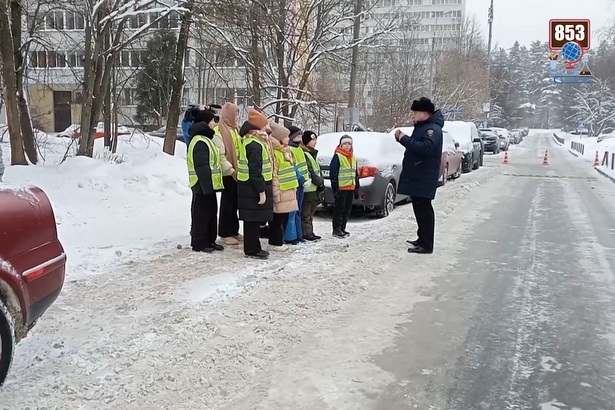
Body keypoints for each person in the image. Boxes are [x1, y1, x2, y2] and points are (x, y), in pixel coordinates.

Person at [394, 97, 444, 254]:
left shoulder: (432, 129)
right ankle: (422, 238)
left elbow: (424, 148)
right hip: (419, 174)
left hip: (424, 175)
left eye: (415, 112)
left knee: (424, 210)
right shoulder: (423, 126)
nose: (413, 115)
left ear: (424, 113)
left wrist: (404, 139)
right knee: (419, 207)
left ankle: (426, 244)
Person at [237, 108, 274, 259]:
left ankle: (253, 247)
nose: (266, 128)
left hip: (247, 186)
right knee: (252, 219)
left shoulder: (251, 141)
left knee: (252, 219)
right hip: (252, 188)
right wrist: (261, 190)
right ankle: (252, 249)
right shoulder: (254, 145)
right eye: (264, 125)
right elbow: (255, 170)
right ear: (257, 128)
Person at [187, 109, 225, 253]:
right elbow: (202, 167)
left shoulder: (207, 139)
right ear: (204, 123)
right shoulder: (200, 141)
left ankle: (209, 240)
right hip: (201, 185)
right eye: (212, 120)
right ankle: (199, 243)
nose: (214, 123)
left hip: (209, 185)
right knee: (201, 215)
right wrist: (206, 187)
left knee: (210, 213)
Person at [213, 102, 244, 246]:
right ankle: (225, 232)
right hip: (228, 174)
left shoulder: (235, 130)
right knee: (228, 203)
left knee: (235, 203)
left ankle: (234, 230)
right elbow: (221, 155)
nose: (237, 117)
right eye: (235, 114)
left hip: (237, 172)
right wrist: (231, 170)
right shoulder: (220, 131)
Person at [268, 122, 299, 251]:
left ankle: (279, 240)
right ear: (280, 138)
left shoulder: (285, 151)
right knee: (277, 218)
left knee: (284, 216)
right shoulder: (275, 152)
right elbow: (274, 174)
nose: (288, 138)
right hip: (281, 191)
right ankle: (276, 242)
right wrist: (275, 191)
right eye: (286, 136)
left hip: (289, 189)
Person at [329, 134, 359, 238]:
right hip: (341, 189)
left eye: (349, 144)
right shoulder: (338, 156)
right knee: (339, 210)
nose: (347, 146)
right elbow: (333, 174)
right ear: (341, 145)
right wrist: (335, 189)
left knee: (347, 210)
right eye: (345, 143)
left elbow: (355, 173)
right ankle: (336, 229)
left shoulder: (353, 157)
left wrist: (356, 188)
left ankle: (343, 228)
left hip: (350, 188)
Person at [284, 125, 310, 244]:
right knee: (293, 212)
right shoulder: (290, 149)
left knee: (298, 210)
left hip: (302, 183)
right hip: (294, 183)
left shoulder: (299, 149)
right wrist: (301, 180)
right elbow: (293, 167)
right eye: (298, 135)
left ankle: (298, 234)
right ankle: (291, 236)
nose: (300, 137)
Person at [300, 130, 324, 240]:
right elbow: (311, 172)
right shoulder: (305, 154)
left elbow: (317, 170)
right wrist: (319, 183)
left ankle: (310, 231)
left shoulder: (312, 154)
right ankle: (307, 233)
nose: (315, 142)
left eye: (315, 140)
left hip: (314, 190)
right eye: (312, 140)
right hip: (308, 189)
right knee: (306, 214)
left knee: (310, 214)